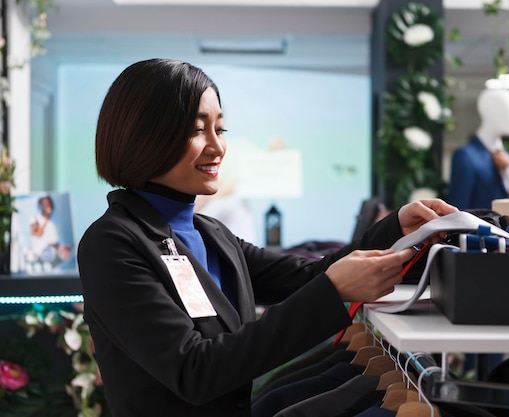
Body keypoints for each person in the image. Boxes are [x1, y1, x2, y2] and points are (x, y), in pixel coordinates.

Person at [76, 58, 458, 417]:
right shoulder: (112, 244)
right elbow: (195, 370)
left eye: (220, 129)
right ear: (144, 137)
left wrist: (396, 229)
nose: (218, 146)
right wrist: (332, 290)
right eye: (197, 129)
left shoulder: (211, 235)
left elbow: (306, 277)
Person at [448, 88, 509, 210]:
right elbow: (458, 209)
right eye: (507, 110)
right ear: (489, 111)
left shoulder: (506, 156)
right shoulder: (466, 156)